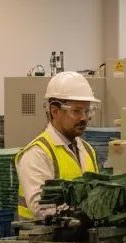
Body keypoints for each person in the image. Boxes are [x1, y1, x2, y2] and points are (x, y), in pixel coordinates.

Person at [15, 71, 100, 220]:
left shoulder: (88, 150)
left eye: (87, 111)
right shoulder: (37, 153)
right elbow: (41, 208)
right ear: (54, 111)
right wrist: (82, 212)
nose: (84, 118)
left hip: (77, 238)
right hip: (42, 241)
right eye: (76, 111)